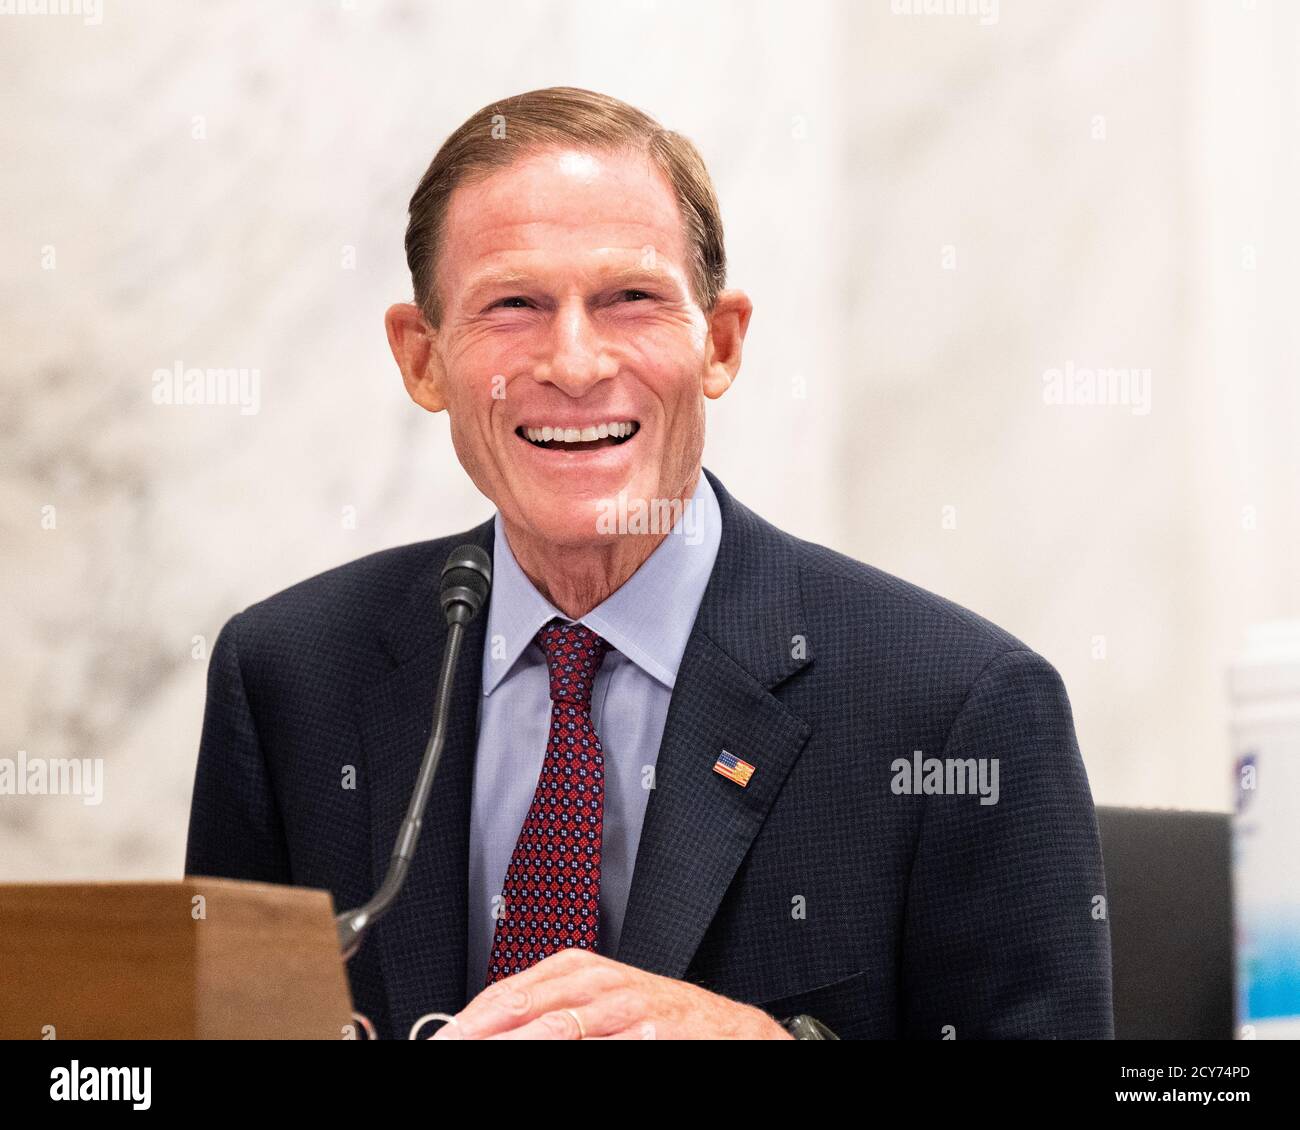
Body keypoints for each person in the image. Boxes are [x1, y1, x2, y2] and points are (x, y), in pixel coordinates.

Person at [186, 86, 1112, 1040]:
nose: (576, 364)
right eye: (513, 305)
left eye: (630, 299)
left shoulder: (958, 706)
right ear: (422, 359)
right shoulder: (289, 677)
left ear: (720, 342)